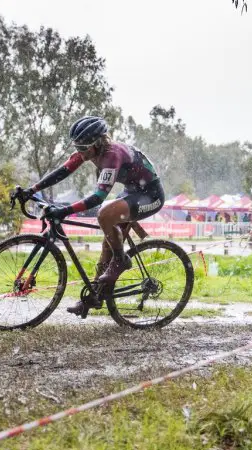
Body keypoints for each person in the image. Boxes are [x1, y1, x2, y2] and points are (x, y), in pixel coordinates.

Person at [19, 116, 164, 316]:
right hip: (132, 192)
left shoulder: (112, 155)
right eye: (77, 147)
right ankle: (93, 297)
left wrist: (64, 210)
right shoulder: (88, 151)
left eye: (84, 147)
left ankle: (121, 261)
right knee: (108, 245)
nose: (80, 152)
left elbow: (98, 197)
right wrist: (31, 190)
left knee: (104, 214)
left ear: (97, 143)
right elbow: (62, 171)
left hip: (151, 195)